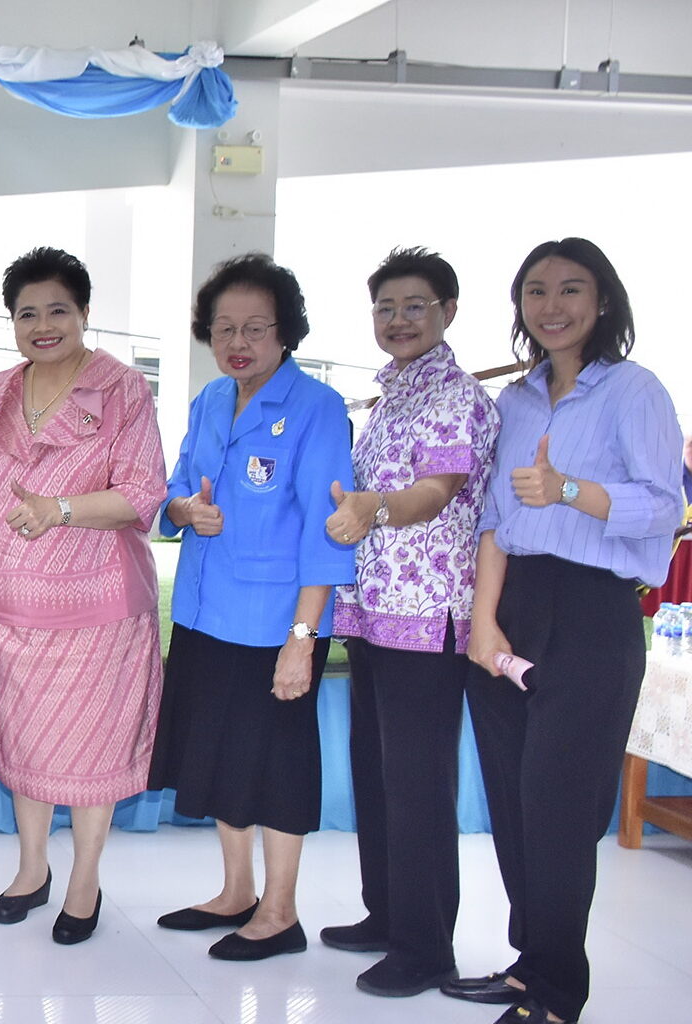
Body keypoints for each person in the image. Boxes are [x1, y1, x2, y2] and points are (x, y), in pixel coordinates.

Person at [451, 239, 682, 1024]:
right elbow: (493, 519)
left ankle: (557, 993)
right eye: (537, 290)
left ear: (603, 300)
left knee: (558, 810)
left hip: (591, 612)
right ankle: (531, 966)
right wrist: (484, 623)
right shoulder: (515, 402)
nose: (552, 306)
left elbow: (665, 508)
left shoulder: (635, 391)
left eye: (571, 289)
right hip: (512, 604)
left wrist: (569, 490)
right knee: (515, 804)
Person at [0, 247, 165, 946]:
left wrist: (61, 510)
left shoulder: (122, 390)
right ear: (12, 322)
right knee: (26, 746)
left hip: (98, 611)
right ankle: (31, 869)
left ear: (84, 313)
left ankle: (84, 881)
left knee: (93, 752)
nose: (43, 326)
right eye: (27, 314)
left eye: (58, 311)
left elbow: (142, 493)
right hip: (12, 612)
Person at [148, 252, 354, 961]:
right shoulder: (210, 400)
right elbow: (174, 490)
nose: (237, 342)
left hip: (275, 628)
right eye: (223, 328)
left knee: (277, 766)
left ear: (285, 331)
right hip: (204, 613)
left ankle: (281, 912)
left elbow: (328, 532)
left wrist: (303, 638)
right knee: (219, 756)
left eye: (255, 328)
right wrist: (184, 510)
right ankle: (236, 892)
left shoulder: (317, 408)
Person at [320, 247, 499, 998]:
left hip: (428, 619)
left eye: (414, 306)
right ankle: (388, 915)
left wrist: (376, 509)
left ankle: (426, 948)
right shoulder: (390, 394)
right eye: (386, 307)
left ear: (448, 311)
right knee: (377, 771)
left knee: (418, 786)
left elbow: (437, 489)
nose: (398, 319)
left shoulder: (456, 395)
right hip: (374, 612)